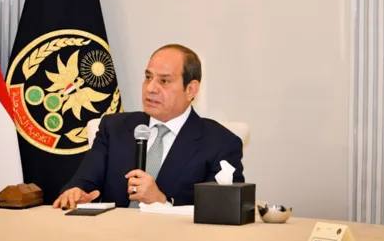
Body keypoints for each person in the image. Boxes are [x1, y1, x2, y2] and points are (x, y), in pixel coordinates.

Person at [53, 44, 244, 209]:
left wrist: (161, 202)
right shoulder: (113, 128)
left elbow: (222, 211)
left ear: (191, 89)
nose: (150, 88)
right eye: (148, 77)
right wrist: (76, 193)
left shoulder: (221, 143)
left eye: (164, 81)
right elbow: (83, 182)